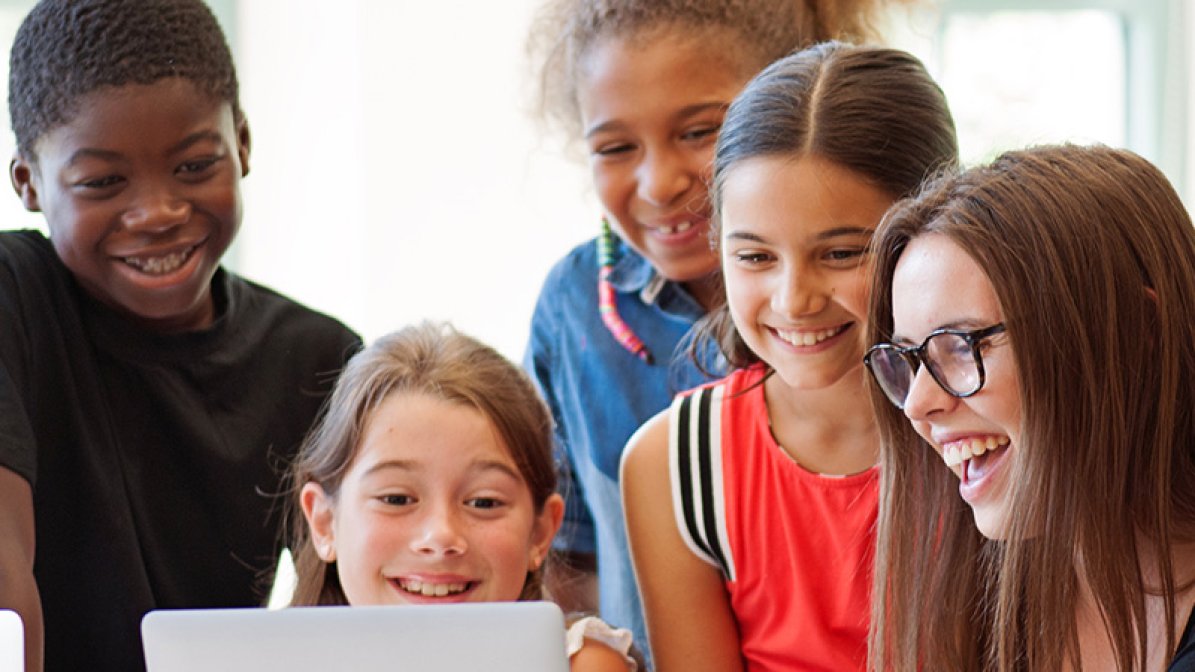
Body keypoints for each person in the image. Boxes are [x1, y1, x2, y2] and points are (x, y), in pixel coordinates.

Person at [0, 1, 362, 670]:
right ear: (28, 181)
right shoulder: (13, 300)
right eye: (103, 182)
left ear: (243, 143)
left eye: (194, 166)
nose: (159, 212)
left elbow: (347, 617)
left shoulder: (318, 358)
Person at [523, 0, 888, 659]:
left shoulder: (909, 320)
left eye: (699, 132)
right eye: (614, 147)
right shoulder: (573, 307)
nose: (660, 183)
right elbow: (562, 558)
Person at [620, 42, 958, 671]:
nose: (794, 300)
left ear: (929, 240)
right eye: (755, 257)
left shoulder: (989, 434)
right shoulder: (676, 464)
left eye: (840, 253)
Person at [863, 144, 1195, 671]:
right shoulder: (985, 592)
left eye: (964, 343)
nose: (918, 404)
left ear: (1135, 331)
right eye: (910, 359)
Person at [289, 322, 638, 672]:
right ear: (324, 523)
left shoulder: (578, 665)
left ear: (541, 532)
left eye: (484, 502)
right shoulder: (273, 659)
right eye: (396, 499)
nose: (441, 537)